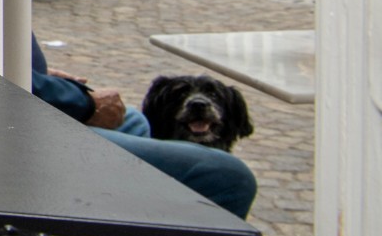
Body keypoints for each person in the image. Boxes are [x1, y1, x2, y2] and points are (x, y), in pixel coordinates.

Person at [30, 40, 257, 219]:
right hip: (29, 120)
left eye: (214, 96)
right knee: (230, 175)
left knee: (136, 121)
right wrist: (82, 101)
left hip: (35, 95)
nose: (198, 103)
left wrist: (42, 75)